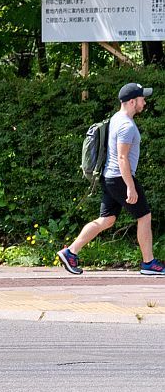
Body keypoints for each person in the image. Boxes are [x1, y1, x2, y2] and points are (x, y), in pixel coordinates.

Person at [60, 82, 165, 275]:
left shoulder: (117, 118)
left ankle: (70, 252)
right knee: (144, 216)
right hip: (119, 178)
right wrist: (130, 187)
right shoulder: (126, 125)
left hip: (110, 177)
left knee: (106, 220)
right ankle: (149, 263)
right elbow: (122, 157)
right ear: (133, 101)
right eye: (142, 98)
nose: (145, 102)